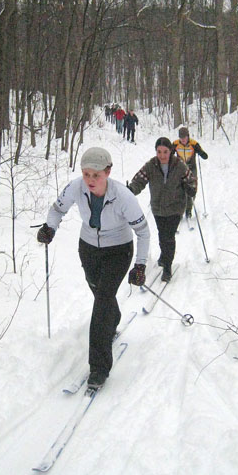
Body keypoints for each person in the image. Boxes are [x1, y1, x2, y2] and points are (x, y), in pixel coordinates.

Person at [36, 147, 150, 390]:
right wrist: (49, 227)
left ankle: (99, 368)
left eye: (96, 175)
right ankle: (114, 316)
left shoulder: (123, 196)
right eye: (86, 174)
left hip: (118, 250)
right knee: (100, 293)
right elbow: (58, 209)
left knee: (101, 302)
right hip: (88, 248)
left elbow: (143, 231)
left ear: (108, 172)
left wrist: (140, 265)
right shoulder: (76, 187)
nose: (90, 180)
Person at [127, 137, 196, 282]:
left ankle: (167, 267)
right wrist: (131, 189)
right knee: (162, 234)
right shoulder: (151, 165)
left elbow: (191, 179)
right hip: (158, 207)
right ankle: (164, 256)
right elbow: (140, 179)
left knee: (168, 236)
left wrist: (191, 189)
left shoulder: (179, 165)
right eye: (159, 152)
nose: (162, 155)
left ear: (171, 151)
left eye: (165, 152)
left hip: (175, 207)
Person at [172, 126, 208, 218]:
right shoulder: (175, 144)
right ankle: (180, 209)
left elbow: (203, 154)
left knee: (192, 189)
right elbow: (169, 153)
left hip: (192, 169)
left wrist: (202, 154)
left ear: (188, 136)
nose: (183, 140)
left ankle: (188, 210)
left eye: (184, 138)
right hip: (180, 169)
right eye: (181, 138)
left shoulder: (194, 144)